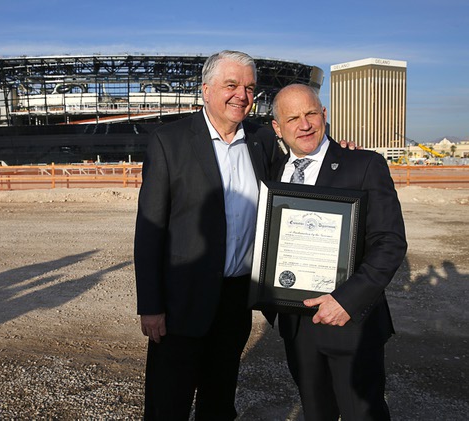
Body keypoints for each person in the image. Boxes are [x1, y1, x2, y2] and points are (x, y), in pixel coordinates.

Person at [133, 50, 280, 420]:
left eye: (249, 88)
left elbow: (302, 170)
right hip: (182, 300)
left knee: (219, 401)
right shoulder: (170, 142)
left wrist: (341, 151)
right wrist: (150, 305)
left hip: (235, 300)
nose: (241, 96)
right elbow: (150, 230)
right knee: (168, 404)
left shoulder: (262, 141)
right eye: (231, 85)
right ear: (206, 90)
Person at [269, 84, 407, 420]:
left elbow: (390, 242)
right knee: (316, 412)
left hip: (351, 322)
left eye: (311, 114)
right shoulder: (271, 172)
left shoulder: (363, 165)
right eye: (293, 118)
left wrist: (347, 299)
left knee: (363, 413)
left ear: (324, 115)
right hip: (297, 326)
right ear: (277, 128)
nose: (304, 125)